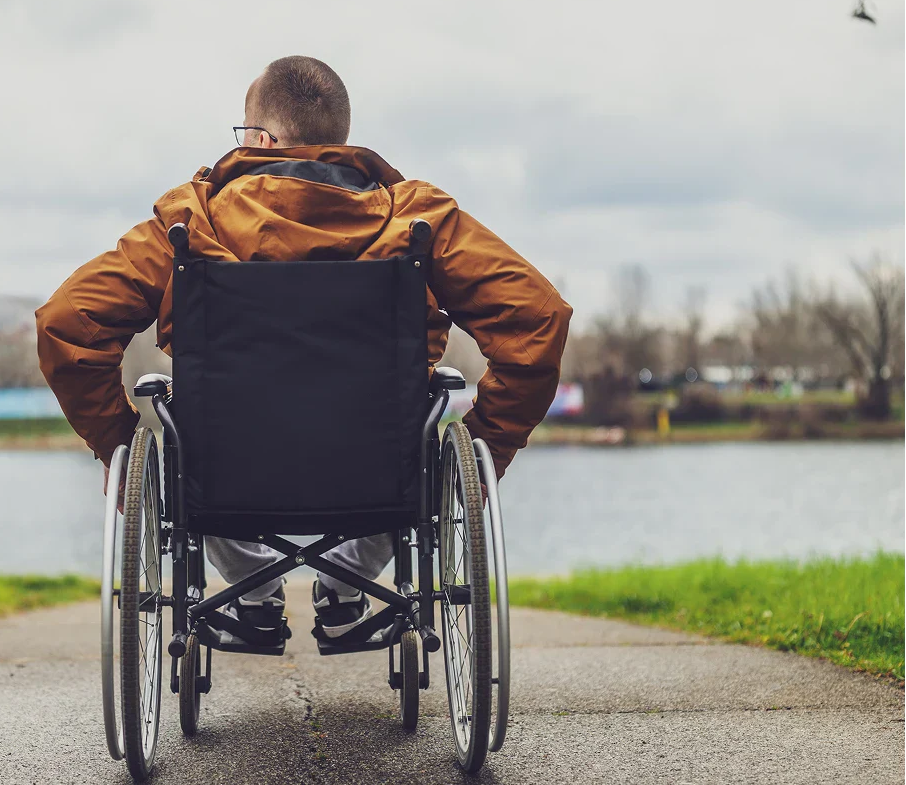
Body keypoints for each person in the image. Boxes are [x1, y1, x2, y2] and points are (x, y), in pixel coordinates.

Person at [36, 55, 572, 644]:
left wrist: (114, 441)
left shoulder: (191, 221)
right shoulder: (418, 219)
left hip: (224, 472)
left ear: (262, 139)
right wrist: (489, 444)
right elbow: (537, 318)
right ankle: (348, 581)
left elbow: (67, 323)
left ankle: (255, 587)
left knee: (196, 439)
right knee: (415, 453)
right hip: (382, 470)